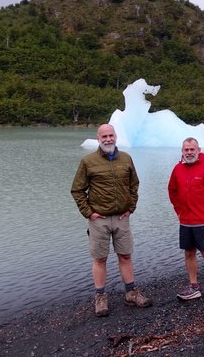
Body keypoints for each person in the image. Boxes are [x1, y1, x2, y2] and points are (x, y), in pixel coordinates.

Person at [71, 124, 152, 317]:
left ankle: (131, 293)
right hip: (99, 219)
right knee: (100, 258)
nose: (108, 139)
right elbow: (77, 190)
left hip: (122, 217)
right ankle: (100, 297)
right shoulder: (88, 161)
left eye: (111, 135)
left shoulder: (126, 158)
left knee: (125, 255)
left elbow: (134, 184)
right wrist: (88, 213)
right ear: (98, 138)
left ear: (116, 136)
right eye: (104, 136)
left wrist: (131, 207)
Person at [167, 137, 204, 310]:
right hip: (186, 221)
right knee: (189, 253)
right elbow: (172, 190)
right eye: (186, 150)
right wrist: (179, 210)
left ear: (198, 150)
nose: (189, 152)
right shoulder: (177, 169)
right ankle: (194, 287)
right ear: (182, 151)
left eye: (192, 149)